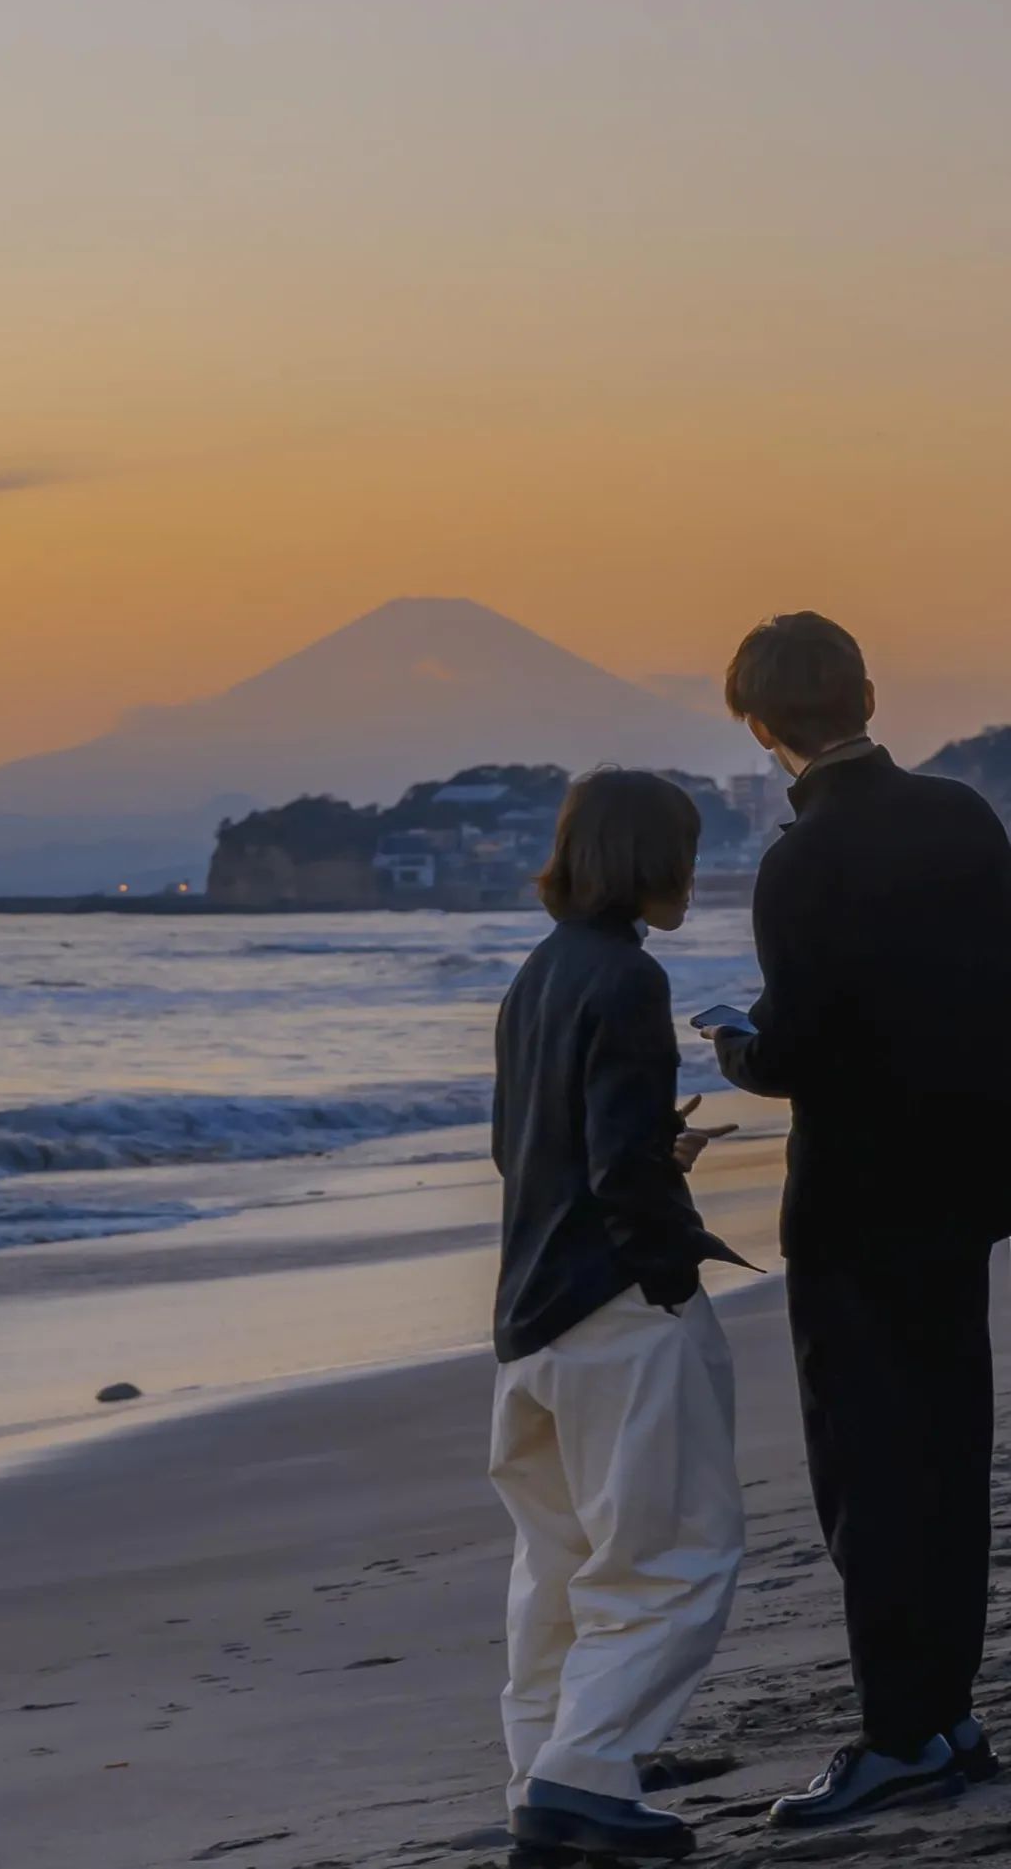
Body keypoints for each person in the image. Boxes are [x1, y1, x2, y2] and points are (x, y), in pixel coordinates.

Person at [709, 611, 1011, 1827]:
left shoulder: (802, 861)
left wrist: (734, 1045)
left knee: (868, 1473)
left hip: (855, 1206)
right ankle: (949, 1712)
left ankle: (902, 1735)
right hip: (968, 1187)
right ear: (869, 695)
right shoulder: (964, 820)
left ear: (762, 727)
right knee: (949, 1449)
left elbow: (799, 1050)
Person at [490, 768, 748, 1865]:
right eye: (684, 853)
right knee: (674, 1553)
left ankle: (543, 1766)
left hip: (528, 1317)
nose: (693, 875)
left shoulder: (539, 973)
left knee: (556, 1568)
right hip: (616, 1307)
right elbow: (616, 1173)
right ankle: (581, 1779)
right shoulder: (627, 981)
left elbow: (525, 1153)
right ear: (648, 861)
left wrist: (651, 1152)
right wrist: (673, 1273)